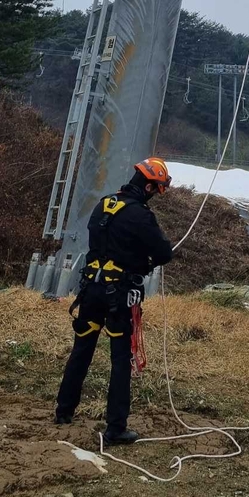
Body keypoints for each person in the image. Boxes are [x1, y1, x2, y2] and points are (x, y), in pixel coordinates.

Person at [55, 157, 174, 445]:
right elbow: (163, 253)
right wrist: (143, 262)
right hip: (117, 295)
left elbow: (101, 243)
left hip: (91, 290)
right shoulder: (140, 215)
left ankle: (63, 410)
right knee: (120, 360)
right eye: (156, 190)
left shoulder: (104, 205)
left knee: (82, 349)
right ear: (147, 186)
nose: (155, 196)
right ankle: (116, 427)